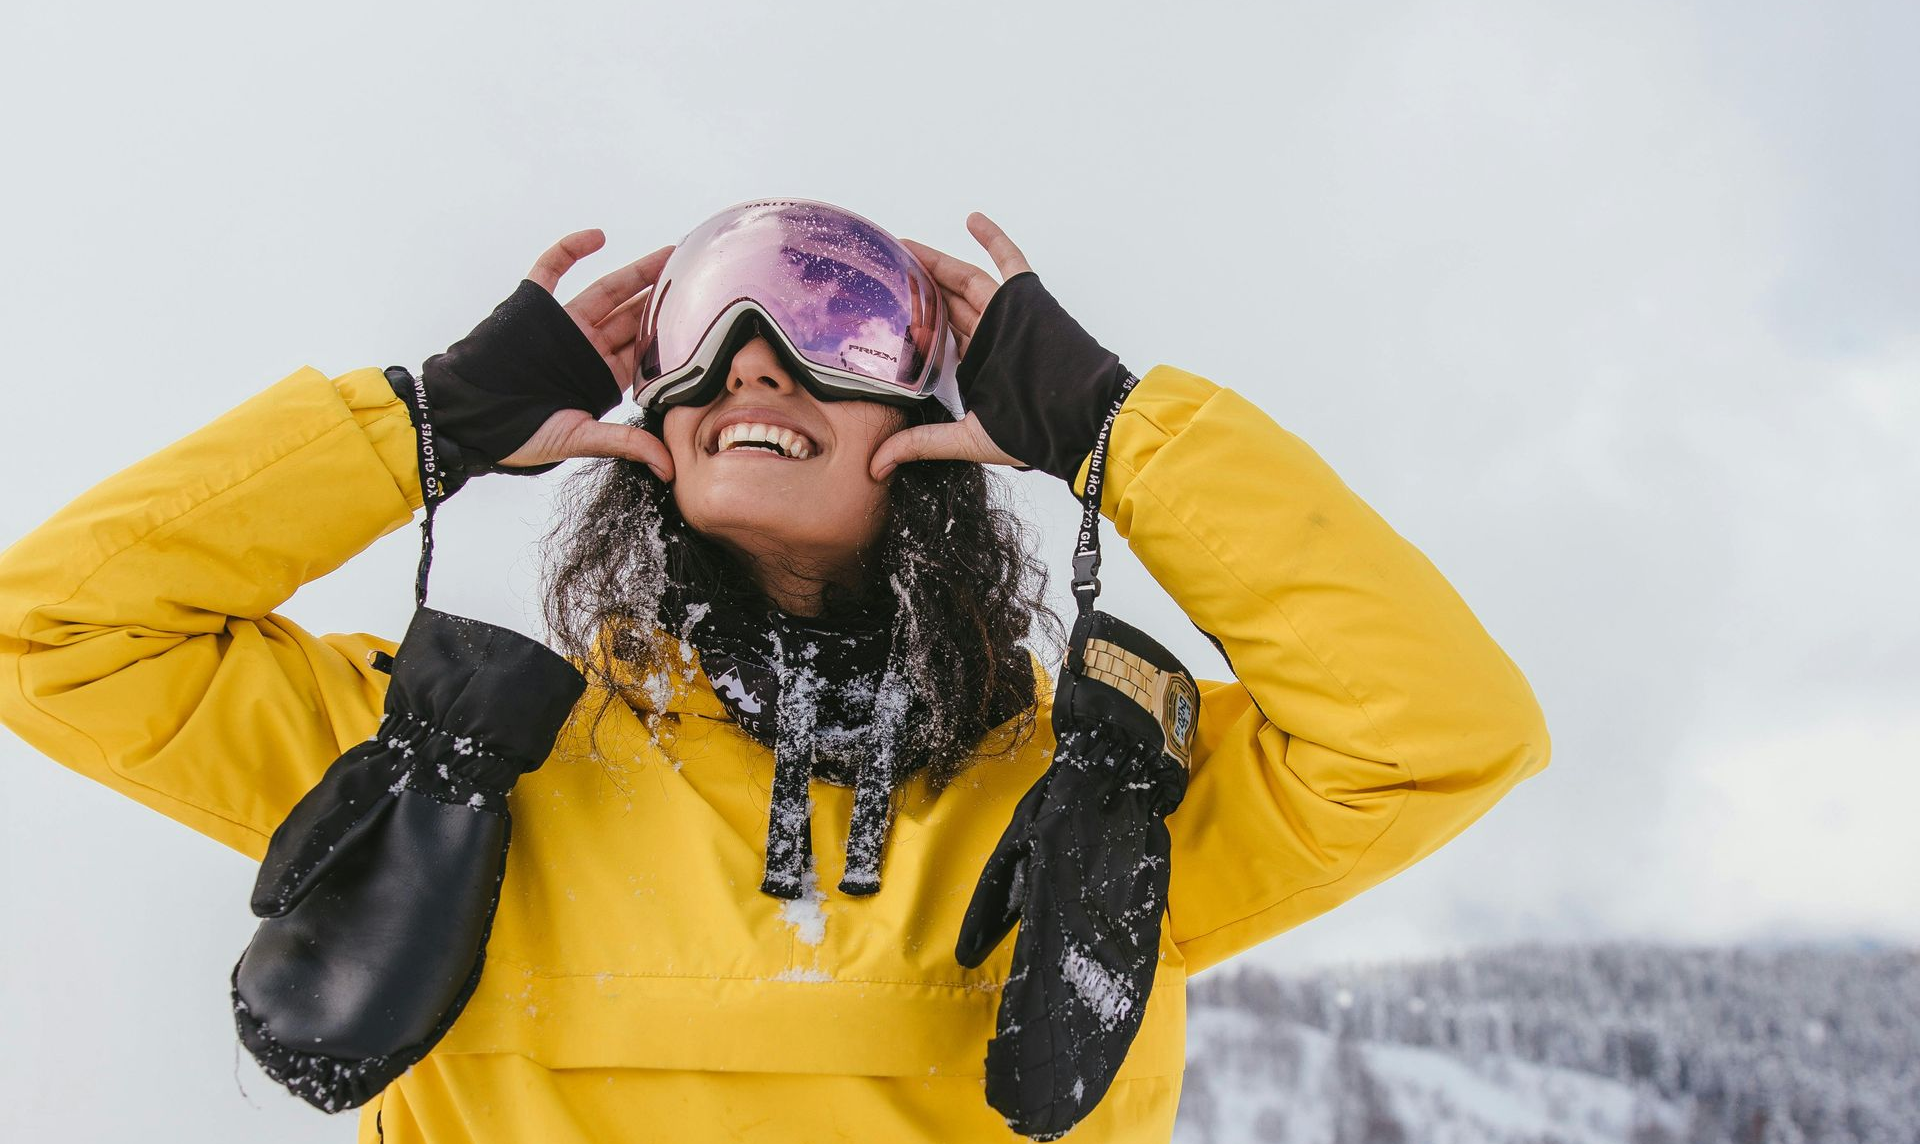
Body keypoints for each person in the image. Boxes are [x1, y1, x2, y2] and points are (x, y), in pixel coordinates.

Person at [0, 201, 1551, 1143]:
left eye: (840, 321)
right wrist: (421, 425)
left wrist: (1118, 433)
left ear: (943, 418)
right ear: (652, 411)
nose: (755, 358)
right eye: (708, 323)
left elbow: (1439, 731)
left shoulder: (1098, 801)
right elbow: (52, 629)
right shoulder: (446, 762)